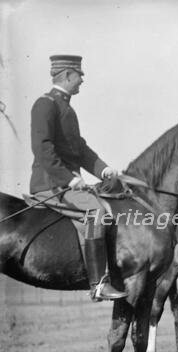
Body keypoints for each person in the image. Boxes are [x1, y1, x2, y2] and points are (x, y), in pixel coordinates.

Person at [29, 55, 126, 301]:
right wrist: (69, 179)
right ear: (67, 75)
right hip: (50, 184)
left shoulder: (66, 107)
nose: (82, 80)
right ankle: (98, 284)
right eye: (79, 75)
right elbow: (43, 148)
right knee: (97, 212)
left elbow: (80, 149)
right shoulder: (45, 104)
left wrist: (103, 170)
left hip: (65, 183)